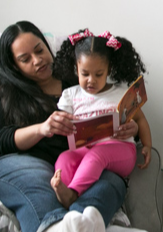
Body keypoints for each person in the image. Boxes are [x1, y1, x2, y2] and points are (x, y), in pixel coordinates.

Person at [0, 20, 140, 232]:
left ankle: (79, 226)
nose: (37, 60)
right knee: (42, 183)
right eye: (25, 58)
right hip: (17, 161)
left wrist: (131, 129)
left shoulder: (81, 80)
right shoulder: (2, 90)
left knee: (111, 182)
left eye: (39, 50)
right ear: (13, 65)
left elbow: (120, 112)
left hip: (80, 161)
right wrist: (41, 128)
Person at [50, 28, 152, 210]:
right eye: (85, 74)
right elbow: (61, 121)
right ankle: (63, 194)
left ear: (109, 70)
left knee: (97, 155)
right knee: (64, 158)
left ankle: (72, 195)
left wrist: (146, 145)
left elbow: (141, 120)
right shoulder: (70, 95)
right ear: (76, 69)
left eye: (98, 74)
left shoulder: (121, 93)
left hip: (121, 150)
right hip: (85, 149)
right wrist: (60, 122)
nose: (91, 80)